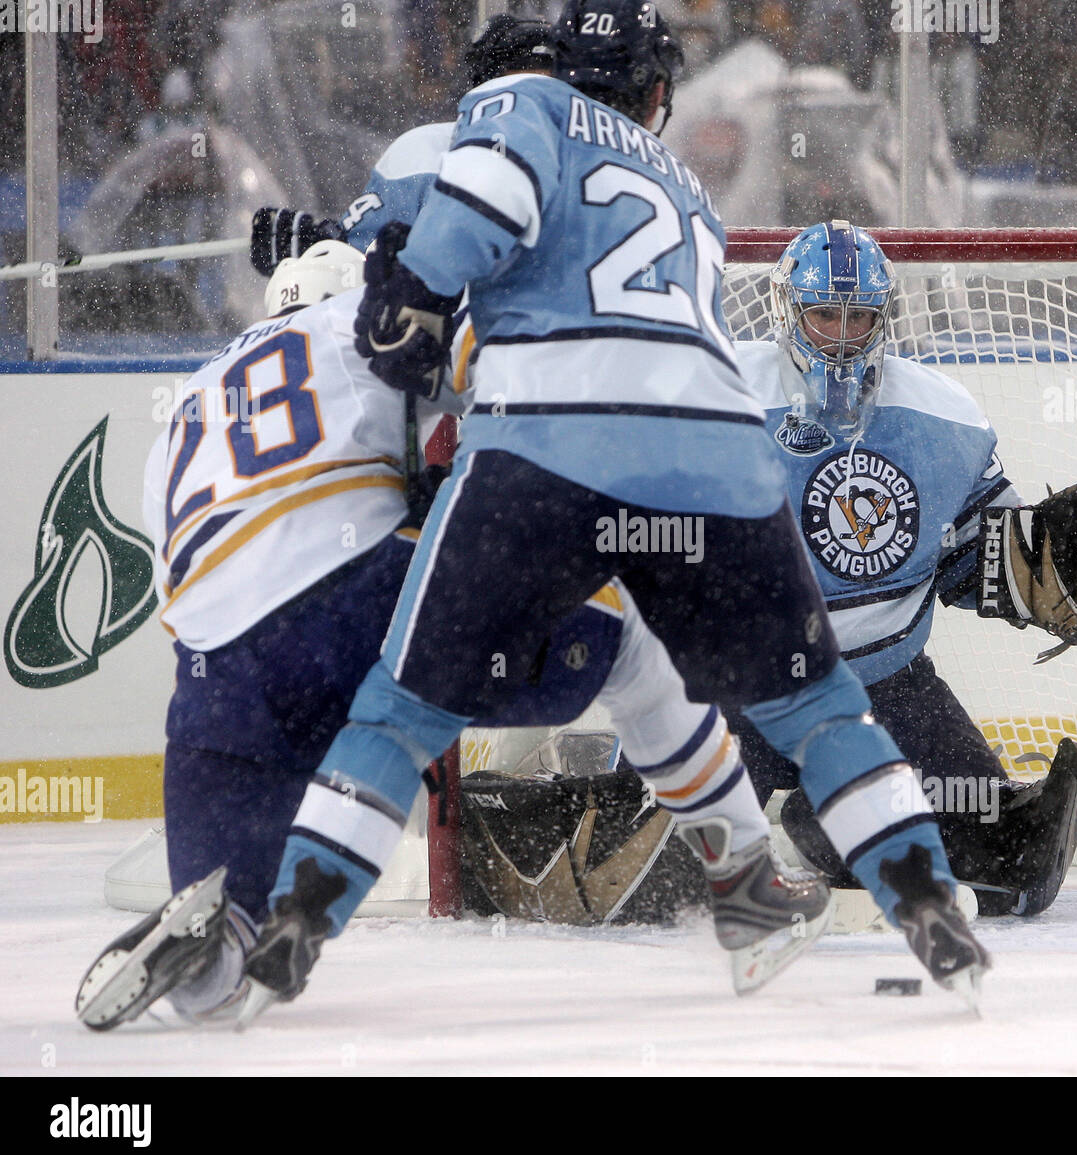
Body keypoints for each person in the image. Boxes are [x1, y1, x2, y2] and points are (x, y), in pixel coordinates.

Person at [234, 0, 989, 1028]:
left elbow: (472, 226)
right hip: (717, 457)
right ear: (658, 94)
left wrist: (398, 289)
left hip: (548, 445)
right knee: (817, 711)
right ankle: (929, 904)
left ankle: (297, 919)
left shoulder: (517, 104)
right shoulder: (691, 193)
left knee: (403, 710)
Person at [75, 240, 829, 1031]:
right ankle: (750, 882)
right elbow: (512, 364)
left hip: (215, 682)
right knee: (631, 631)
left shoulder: (190, 400)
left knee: (226, 967)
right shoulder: (359, 320)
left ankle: (215, 946)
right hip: (353, 605)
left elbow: (190, 580)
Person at [718, 220, 1077, 917]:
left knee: (1011, 868)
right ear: (787, 311)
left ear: (883, 316)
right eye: (823, 313)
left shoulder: (942, 418)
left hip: (887, 690)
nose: (842, 335)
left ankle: (830, 816)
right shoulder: (717, 397)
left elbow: (983, 563)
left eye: (859, 314)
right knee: (653, 877)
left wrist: (1049, 572)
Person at [248, 13, 555, 274]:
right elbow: (360, 257)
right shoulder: (427, 152)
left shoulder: (591, 154)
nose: (530, 111)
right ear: (480, 92)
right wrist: (318, 252)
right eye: (518, 91)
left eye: (550, 93)